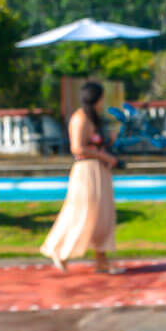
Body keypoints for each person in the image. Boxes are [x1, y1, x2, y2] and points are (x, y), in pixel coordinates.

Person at [40, 82, 122, 274]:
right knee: (83, 213)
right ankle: (58, 251)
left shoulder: (94, 119)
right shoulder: (80, 118)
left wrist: (111, 139)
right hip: (86, 172)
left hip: (100, 172)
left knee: (103, 216)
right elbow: (77, 148)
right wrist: (103, 156)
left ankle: (101, 261)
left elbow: (96, 144)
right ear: (96, 98)